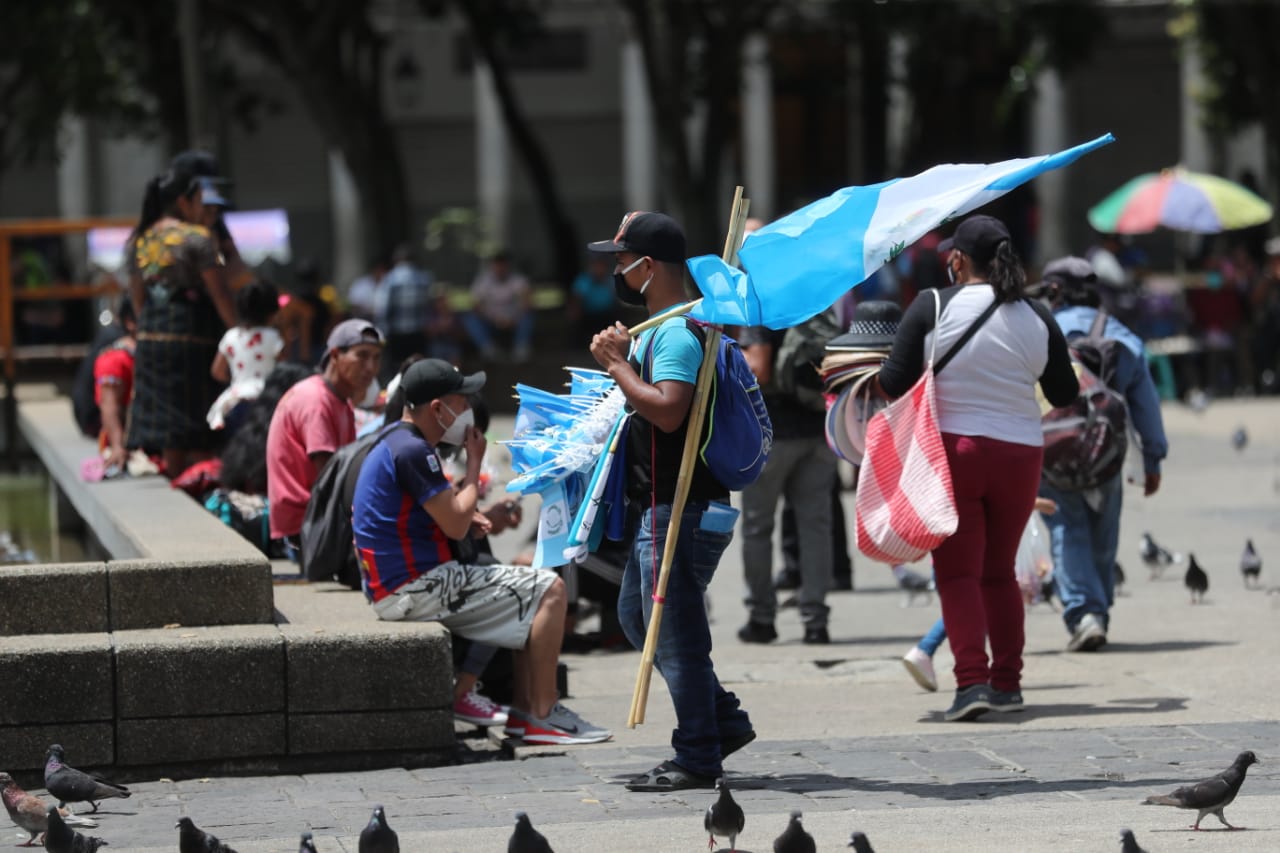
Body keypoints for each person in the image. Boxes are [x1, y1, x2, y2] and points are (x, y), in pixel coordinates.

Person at [876, 214, 1078, 722]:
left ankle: (971, 684)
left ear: (958, 260)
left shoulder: (932, 305)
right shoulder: (1036, 316)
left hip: (955, 453)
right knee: (1000, 573)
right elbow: (1064, 393)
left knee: (958, 573)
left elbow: (893, 382)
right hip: (1020, 456)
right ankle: (1007, 683)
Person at [352, 359, 610, 745]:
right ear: (438, 408)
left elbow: (432, 515)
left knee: (525, 592)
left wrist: (466, 513)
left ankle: (525, 713)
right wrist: (474, 462)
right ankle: (543, 714)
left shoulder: (394, 439)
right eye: (461, 401)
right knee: (550, 590)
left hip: (397, 585)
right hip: (414, 587)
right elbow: (455, 525)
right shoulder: (414, 450)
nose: (468, 410)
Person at [587, 210, 754, 791]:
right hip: (661, 504)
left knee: (677, 635)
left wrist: (616, 366)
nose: (616, 271)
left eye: (620, 260)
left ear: (647, 266)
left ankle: (698, 754)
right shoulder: (666, 327)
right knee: (638, 618)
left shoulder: (678, 333)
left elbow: (667, 410)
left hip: (680, 506)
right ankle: (722, 719)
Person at [1036, 256, 1168, 652]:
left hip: (1051, 452)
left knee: (1067, 527)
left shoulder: (1038, 332)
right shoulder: (1123, 337)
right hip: (1107, 452)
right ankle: (1099, 611)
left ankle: (1084, 613)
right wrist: (1153, 459)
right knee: (1103, 532)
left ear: (1054, 292)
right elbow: (1145, 405)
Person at [126, 165, 237, 476]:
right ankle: (201, 484)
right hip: (193, 336)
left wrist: (149, 328)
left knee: (168, 427)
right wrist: (237, 329)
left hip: (152, 336)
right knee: (198, 418)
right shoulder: (197, 238)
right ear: (183, 201)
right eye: (199, 199)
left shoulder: (141, 239)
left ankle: (174, 479)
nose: (202, 206)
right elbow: (219, 294)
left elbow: (138, 298)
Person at [737, 310, 839, 645]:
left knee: (757, 527)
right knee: (815, 527)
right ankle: (815, 621)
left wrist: (731, 354)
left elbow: (759, 369)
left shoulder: (761, 309)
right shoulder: (819, 305)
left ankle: (761, 618)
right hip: (817, 431)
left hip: (772, 436)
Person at [266, 319, 384, 549]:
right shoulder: (315, 400)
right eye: (362, 356)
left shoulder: (340, 401)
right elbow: (330, 478)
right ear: (336, 355)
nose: (370, 367)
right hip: (307, 526)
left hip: (321, 518)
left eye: (376, 358)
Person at [208, 279, 284, 433]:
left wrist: (239, 382)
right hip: (268, 400)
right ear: (272, 313)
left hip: (236, 401)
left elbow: (217, 371)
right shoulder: (274, 336)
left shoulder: (231, 336)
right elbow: (283, 367)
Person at [375, 245, 456, 369]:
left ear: (396, 260)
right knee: (418, 367)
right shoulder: (425, 278)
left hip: (397, 333)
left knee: (398, 367)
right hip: (419, 333)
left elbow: (382, 308)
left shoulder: (390, 279)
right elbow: (431, 305)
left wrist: (383, 333)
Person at [464, 250, 534, 361]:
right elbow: (476, 305)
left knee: (527, 316)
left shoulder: (518, 280)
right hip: (491, 321)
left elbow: (527, 302)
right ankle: (488, 349)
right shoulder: (483, 281)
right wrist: (494, 319)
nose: (501, 268)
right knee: (470, 319)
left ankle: (521, 348)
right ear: (493, 266)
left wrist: (513, 319)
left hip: (514, 320)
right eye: (498, 265)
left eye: (503, 265)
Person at [93, 300, 138, 474]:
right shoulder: (115, 359)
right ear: (130, 322)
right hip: (128, 441)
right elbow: (109, 405)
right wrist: (118, 446)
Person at [569, 254, 621, 344]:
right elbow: (576, 301)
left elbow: (617, 299)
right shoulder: (583, 280)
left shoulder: (611, 280)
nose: (599, 269)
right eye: (596, 265)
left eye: (602, 265)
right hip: (588, 317)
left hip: (608, 316)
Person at [348, 254, 389, 322]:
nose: (380, 272)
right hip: (363, 320)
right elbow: (354, 305)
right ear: (373, 270)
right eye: (378, 269)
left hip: (383, 321)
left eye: (383, 270)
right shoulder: (361, 284)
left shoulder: (388, 284)